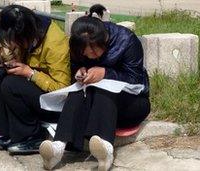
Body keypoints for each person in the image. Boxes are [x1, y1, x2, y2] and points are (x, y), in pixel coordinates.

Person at [39, 4, 151, 170]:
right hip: (95, 106)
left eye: (93, 52)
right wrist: (79, 72)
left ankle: (105, 149)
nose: (88, 56)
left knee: (103, 89)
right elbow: (76, 66)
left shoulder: (127, 40)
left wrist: (106, 73)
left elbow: (135, 80)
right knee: (78, 90)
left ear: (104, 40)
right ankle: (58, 147)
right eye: (84, 53)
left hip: (132, 103)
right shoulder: (79, 48)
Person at [0, 5, 71, 150]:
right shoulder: (22, 32)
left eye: (11, 40)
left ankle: (32, 137)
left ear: (22, 36)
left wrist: (30, 73)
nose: (9, 44)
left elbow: (62, 89)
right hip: (35, 88)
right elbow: (1, 57)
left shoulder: (54, 41)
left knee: (11, 84)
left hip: (54, 101)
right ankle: (7, 130)